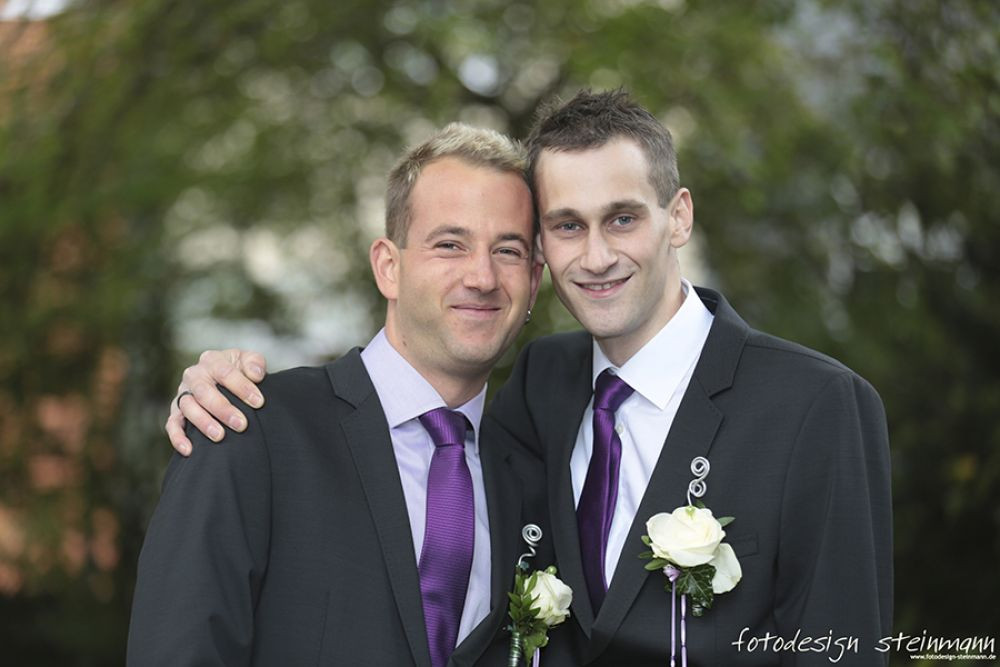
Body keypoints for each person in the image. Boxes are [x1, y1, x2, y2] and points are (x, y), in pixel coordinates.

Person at [169, 90, 893, 665]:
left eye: (623, 218)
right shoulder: (541, 394)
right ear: (387, 264)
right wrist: (212, 376)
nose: (598, 255)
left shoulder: (817, 406)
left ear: (678, 216)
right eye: (568, 225)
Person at [128, 123, 552, 667]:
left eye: (508, 250)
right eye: (450, 244)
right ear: (388, 267)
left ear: (534, 281)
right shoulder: (247, 428)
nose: (482, 276)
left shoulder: (533, 480)